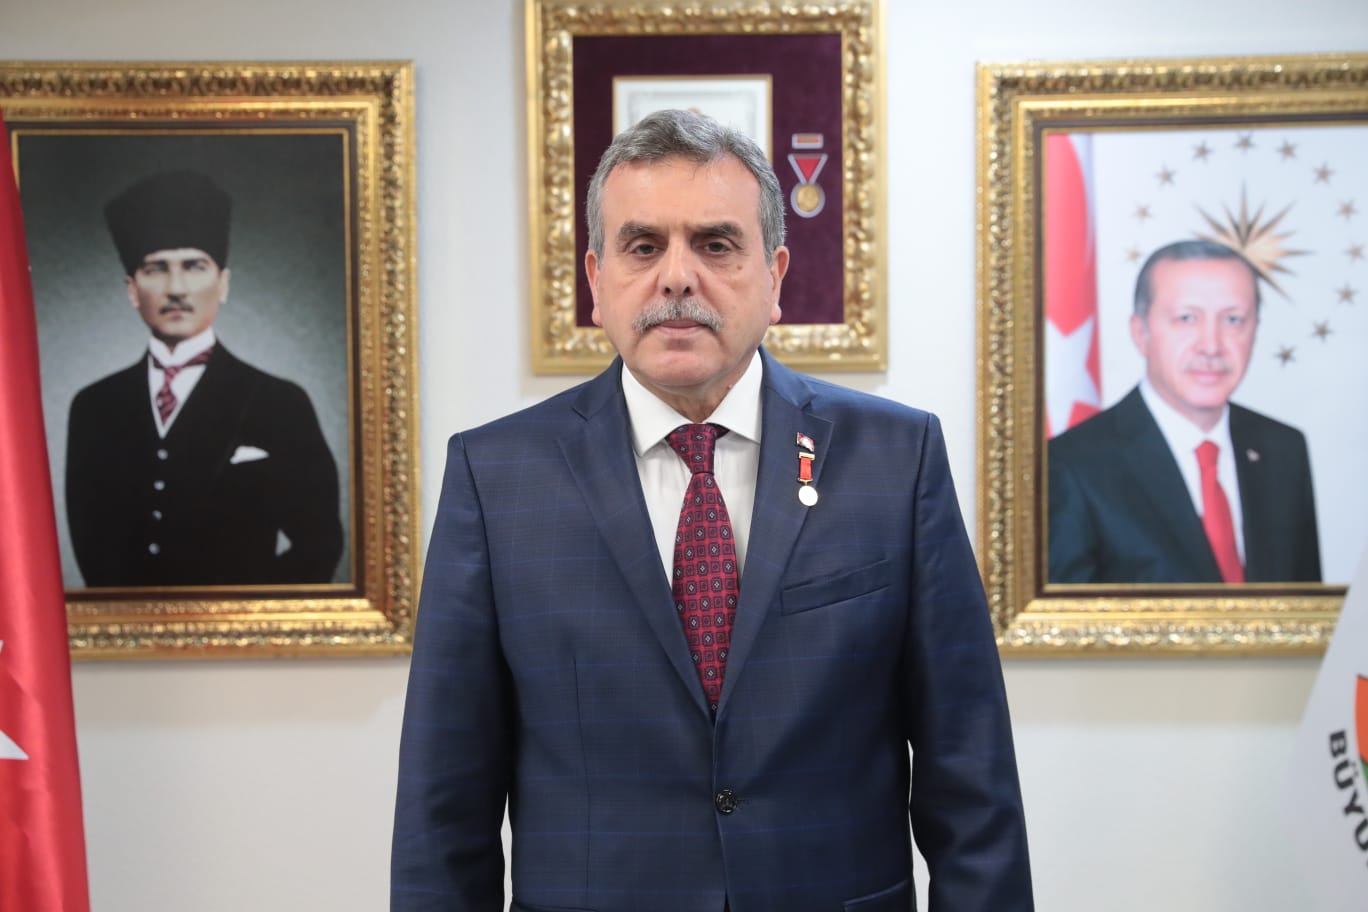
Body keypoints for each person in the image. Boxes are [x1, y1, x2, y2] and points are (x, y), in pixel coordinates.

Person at [392, 109, 1032, 911]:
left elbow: (970, 778)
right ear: (596, 279)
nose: (677, 278)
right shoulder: (496, 478)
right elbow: (443, 806)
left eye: (716, 244)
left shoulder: (896, 460)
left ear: (776, 276)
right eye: (643, 246)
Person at [65, 169, 343, 588]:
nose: (177, 288)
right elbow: (90, 544)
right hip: (126, 629)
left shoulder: (280, 402)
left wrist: (246, 615)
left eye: (194, 266)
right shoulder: (94, 407)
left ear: (223, 283)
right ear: (132, 290)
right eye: (156, 268)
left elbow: (320, 545)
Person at [1048, 239, 1321, 584]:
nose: (1211, 345)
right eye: (1187, 318)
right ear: (1140, 332)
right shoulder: (1072, 466)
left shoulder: (1284, 449)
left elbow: (1305, 611)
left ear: (1255, 330)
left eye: (1233, 319)